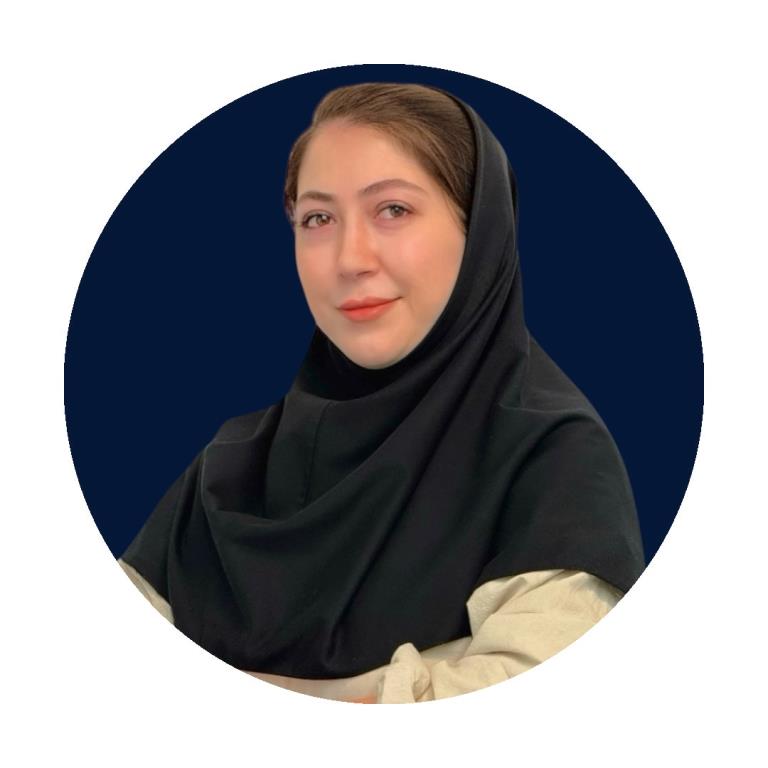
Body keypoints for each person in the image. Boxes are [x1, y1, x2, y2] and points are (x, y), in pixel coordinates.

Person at [118, 82, 645, 704]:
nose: (349, 259)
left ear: (480, 226)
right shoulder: (231, 466)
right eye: (318, 219)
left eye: (393, 209)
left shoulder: (553, 456)